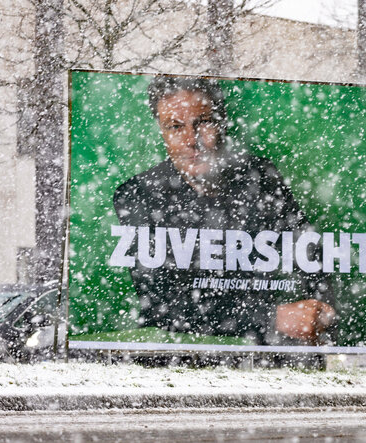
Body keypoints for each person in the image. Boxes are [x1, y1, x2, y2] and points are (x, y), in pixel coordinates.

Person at [113, 76, 335, 345]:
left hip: (258, 350)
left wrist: (319, 310)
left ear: (222, 123)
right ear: (162, 132)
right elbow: (162, 305)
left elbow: (310, 256)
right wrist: (270, 317)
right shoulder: (140, 194)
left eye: (203, 123)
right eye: (175, 127)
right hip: (178, 352)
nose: (191, 140)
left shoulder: (260, 177)